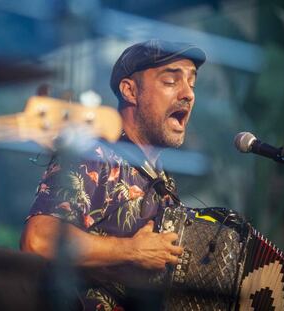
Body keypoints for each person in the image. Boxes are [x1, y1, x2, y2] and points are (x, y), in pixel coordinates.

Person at [20, 39, 206, 310]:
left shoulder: (164, 185)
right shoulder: (95, 155)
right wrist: (133, 251)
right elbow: (37, 240)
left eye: (192, 83)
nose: (188, 94)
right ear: (130, 91)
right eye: (170, 81)